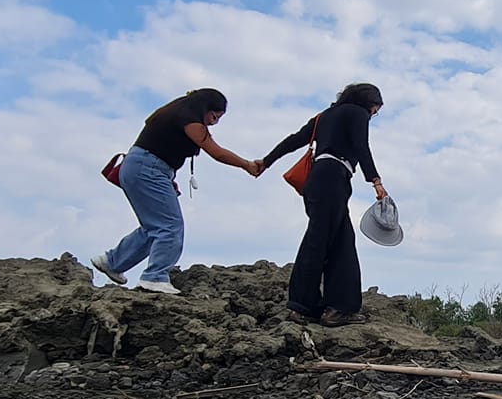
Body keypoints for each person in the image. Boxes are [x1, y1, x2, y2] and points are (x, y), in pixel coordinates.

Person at [91, 88, 261, 295]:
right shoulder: (190, 120)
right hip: (149, 168)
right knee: (170, 226)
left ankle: (112, 262)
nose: (214, 122)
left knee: (154, 226)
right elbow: (216, 153)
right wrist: (247, 165)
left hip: (140, 165)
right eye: (215, 116)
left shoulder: (174, 110)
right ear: (205, 107)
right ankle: (154, 277)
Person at [257, 82, 390, 326]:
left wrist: (266, 161)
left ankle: (317, 306)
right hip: (333, 178)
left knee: (333, 238)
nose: (374, 115)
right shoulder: (357, 113)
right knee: (325, 241)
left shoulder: (324, 116)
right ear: (368, 103)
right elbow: (362, 146)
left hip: (317, 180)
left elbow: (294, 140)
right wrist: (376, 181)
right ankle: (318, 308)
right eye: (375, 109)